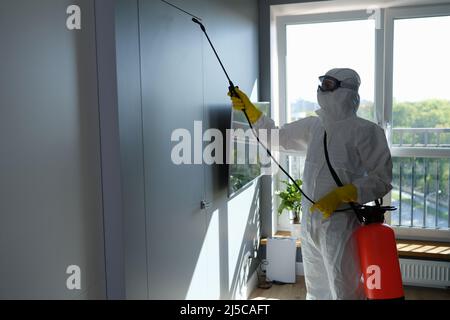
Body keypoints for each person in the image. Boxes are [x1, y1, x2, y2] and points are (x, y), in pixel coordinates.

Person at [228, 68, 393, 300]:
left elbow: (381, 178)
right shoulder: (314, 126)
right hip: (310, 219)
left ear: (346, 90)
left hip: (340, 221)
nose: (321, 89)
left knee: (344, 286)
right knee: (316, 287)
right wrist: (253, 112)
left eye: (328, 84)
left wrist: (344, 193)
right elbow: (277, 137)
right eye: (322, 83)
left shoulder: (366, 131)